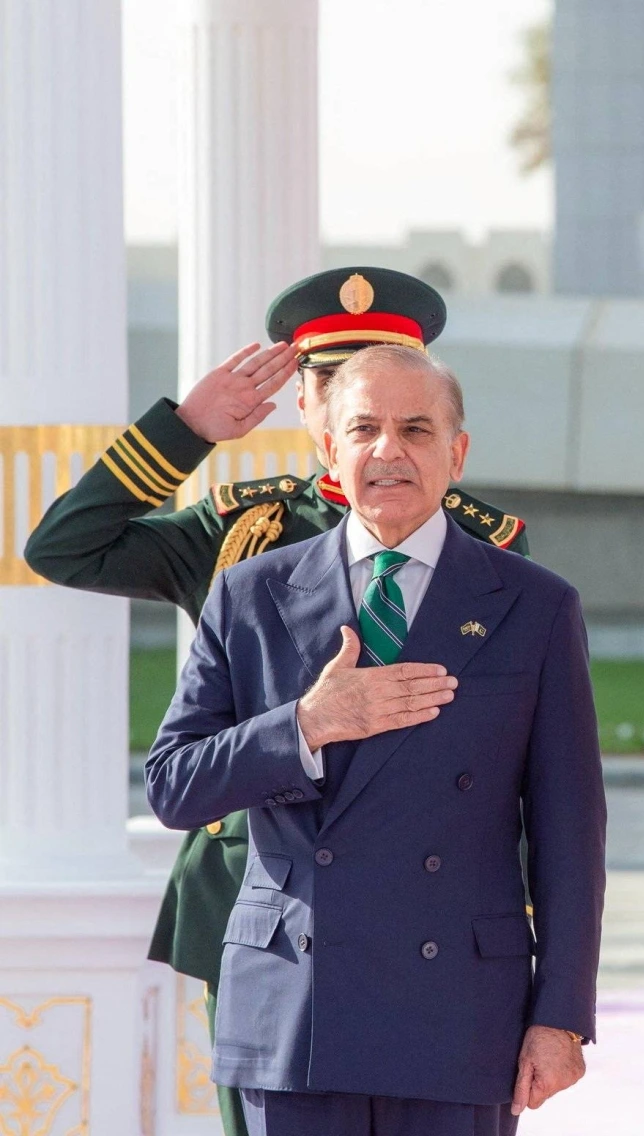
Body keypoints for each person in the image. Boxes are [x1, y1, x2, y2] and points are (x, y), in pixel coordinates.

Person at [24, 266, 528, 1136]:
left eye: (375, 373)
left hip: (423, 911)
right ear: (304, 405)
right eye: (327, 379)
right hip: (262, 893)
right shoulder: (240, 531)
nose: (351, 400)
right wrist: (184, 434)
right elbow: (65, 547)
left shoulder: (487, 549)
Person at [145, 345, 605, 1136]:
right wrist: (305, 727)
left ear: (456, 453)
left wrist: (561, 1016)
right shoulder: (250, 593)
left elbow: (570, 833)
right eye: (364, 428)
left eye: (416, 429)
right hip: (296, 1010)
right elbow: (173, 786)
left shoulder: (533, 605)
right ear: (329, 448)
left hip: (458, 1014)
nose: (388, 451)